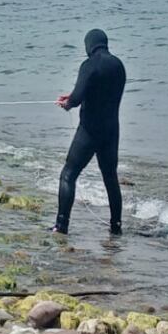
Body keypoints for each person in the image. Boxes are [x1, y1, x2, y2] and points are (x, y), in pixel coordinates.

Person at [54, 28, 126, 236]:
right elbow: (102, 92)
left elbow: (76, 99)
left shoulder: (89, 65)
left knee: (68, 174)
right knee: (110, 178)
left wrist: (68, 103)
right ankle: (116, 226)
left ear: (89, 45)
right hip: (112, 131)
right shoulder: (118, 65)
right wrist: (76, 97)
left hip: (90, 130)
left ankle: (61, 226)